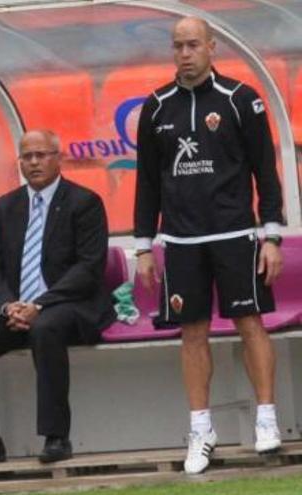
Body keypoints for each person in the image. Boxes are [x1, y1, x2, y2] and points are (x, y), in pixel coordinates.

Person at [134, 16, 285, 474]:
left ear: (211, 47)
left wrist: (271, 235)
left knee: (250, 323)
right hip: (181, 240)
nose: (184, 53)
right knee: (192, 333)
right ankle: (201, 430)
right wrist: (144, 245)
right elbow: (147, 182)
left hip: (236, 235)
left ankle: (266, 419)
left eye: (193, 44)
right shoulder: (156, 107)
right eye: (177, 45)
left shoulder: (242, 100)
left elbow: (265, 172)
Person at [0, 130, 114, 467]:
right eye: (27, 156)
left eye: (41, 155)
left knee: (46, 327)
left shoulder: (84, 202)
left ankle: (56, 437)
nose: (34, 162)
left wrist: (39, 304)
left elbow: (88, 270)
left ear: (59, 158)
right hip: (17, 308)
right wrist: (8, 305)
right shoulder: (6, 205)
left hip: (71, 306)